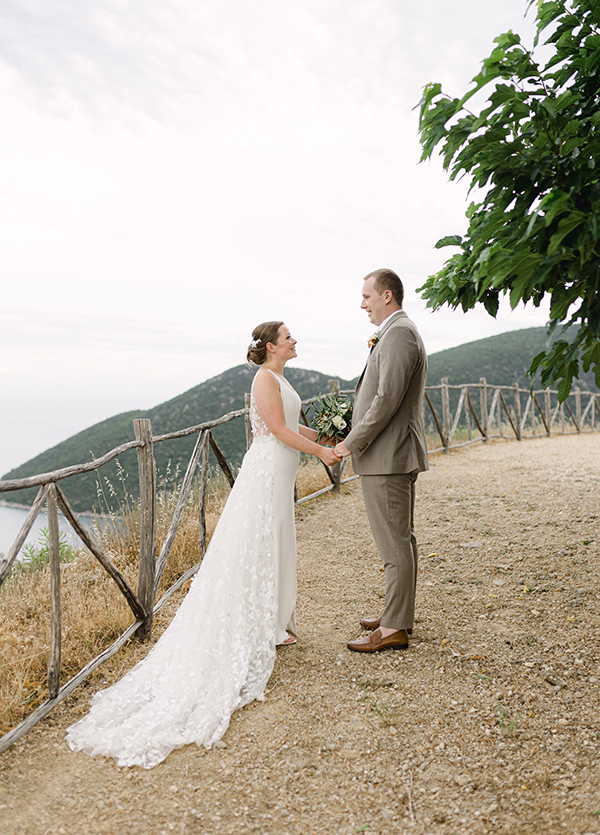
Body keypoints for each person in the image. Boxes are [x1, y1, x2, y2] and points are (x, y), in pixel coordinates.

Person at [66, 321, 339, 768]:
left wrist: (326, 438)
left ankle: (274, 623)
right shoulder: (264, 379)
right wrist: (321, 453)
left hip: (280, 467)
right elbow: (276, 430)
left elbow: (293, 428)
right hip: (268, 473)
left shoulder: (282, 378)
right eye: (288, 336)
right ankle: (262, 627)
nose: (295, 340)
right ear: (271, 346)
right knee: (259, 547)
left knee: (275, 544)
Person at [334, 269, 428, 653]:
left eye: (366, 297)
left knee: (394, 545)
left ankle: (393, 629)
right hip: (389, 454)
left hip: (387, 456)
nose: (362, 305)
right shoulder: (395, 332)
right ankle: (397, 614)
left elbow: (386, 398)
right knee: (400, 540)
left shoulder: (400, 333)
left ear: (387, 296)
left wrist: (351, 442)